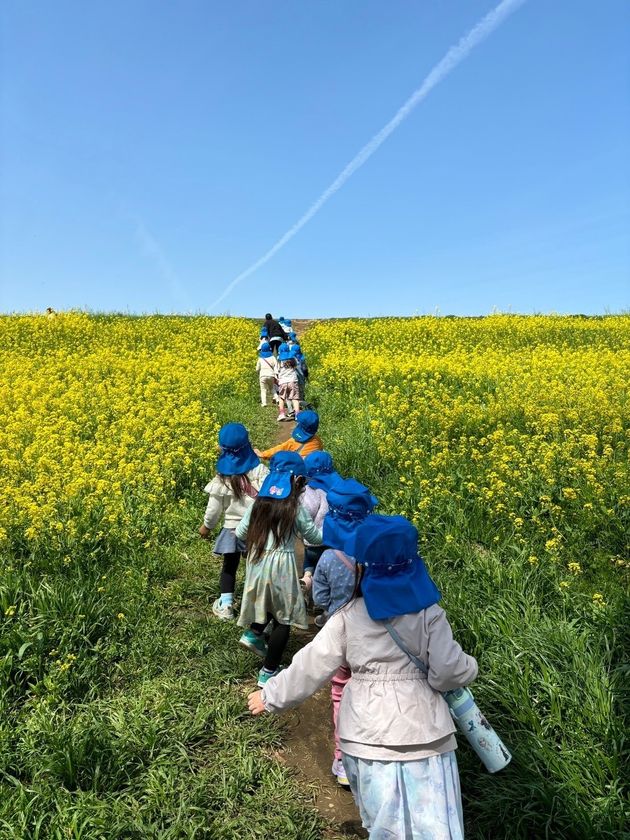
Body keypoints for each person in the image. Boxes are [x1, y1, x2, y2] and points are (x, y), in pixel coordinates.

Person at [248, 514, 477, 840]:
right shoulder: (430, 615)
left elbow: (310, 666)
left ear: (361, 568)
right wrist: (471, 666)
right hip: (427, 737)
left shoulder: (348, 617)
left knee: (384, 824)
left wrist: (270, 695)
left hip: (366, 737)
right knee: (434, 825)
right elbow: (449, 672)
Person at [312, 477, 378, 788]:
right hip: (376, 638)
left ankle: (342, 759)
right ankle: (374, 754)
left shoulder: (327, 558)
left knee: (340, 694)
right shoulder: (380, 554)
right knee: (373, 693)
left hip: (340, 639)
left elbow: (320, 599)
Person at [236, 452, 323, 687]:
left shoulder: (259, 504)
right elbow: (314, 537)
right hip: (282, 567)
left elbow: (240, 533)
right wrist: (333, 533)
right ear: (296, 481)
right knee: (283, 619)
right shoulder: (294, 508)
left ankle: (254, 634)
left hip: (257, 563)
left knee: (266, 603)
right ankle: (268, 672)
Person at [199, 423, 269, 620]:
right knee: (255, 566)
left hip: (232, 529)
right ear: (248, 445)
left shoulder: (222, 478)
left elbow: (213, 509)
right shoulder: (260, 471)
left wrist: (206, 527)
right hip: (256, 529)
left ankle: (226, 605)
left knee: (229, 566)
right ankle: (256, 606)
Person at [299, 452, 342, 593]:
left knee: (310, 560)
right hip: (334, 543)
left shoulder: (310, 490)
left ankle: (307, 577)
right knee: (329, 571)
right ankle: (326, 595)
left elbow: (307, 510)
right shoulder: (339, 486)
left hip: (313, 542)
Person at [255, 410, 324, 460]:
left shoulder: (293, 442)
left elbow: (279, 449)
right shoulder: (318, 441)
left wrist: (263, 454)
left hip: (298, 472)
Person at [274, 345, 301, 421]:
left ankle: (282, 414)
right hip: (293, 381)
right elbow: (297, 366)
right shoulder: (293, 358)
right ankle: (297, 415)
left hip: (283, 382)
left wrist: (277, 379)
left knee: (281, 398)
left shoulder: (279, 360)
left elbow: (276, 371)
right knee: (295, 398)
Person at [255, 342, 278, 407]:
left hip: (262, 376)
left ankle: (264, 403)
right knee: (272, 388)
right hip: (271, 375)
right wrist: (276, 373)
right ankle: (277, 399)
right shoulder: (273, 357)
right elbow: (276, 366)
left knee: (263, 390)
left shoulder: (260, 358)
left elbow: (257, 368)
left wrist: (257, 371)